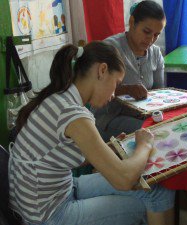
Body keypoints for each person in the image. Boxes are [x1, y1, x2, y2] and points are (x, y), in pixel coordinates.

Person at [8, 42, 175, 225]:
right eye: (116, 83)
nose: (113, 94)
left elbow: (61, 153)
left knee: (157, 188)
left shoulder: (59, 98)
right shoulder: (72, 113)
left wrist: (106, 149)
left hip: (58, 192)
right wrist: (145, 144)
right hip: (48, 214)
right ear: (102, 70)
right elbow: (124, 179)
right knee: (147, 203)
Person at [93, 0, 167, 142]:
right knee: (157, 134)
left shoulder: (156, 53)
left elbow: (160, 93)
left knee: (174, 123)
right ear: (132, 22)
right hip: (110, 117)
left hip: (143, 115)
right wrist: (126, 89)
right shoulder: (111, 48)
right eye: (146, 32)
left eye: (156, 35)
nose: (151, 39)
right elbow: (95, 90)